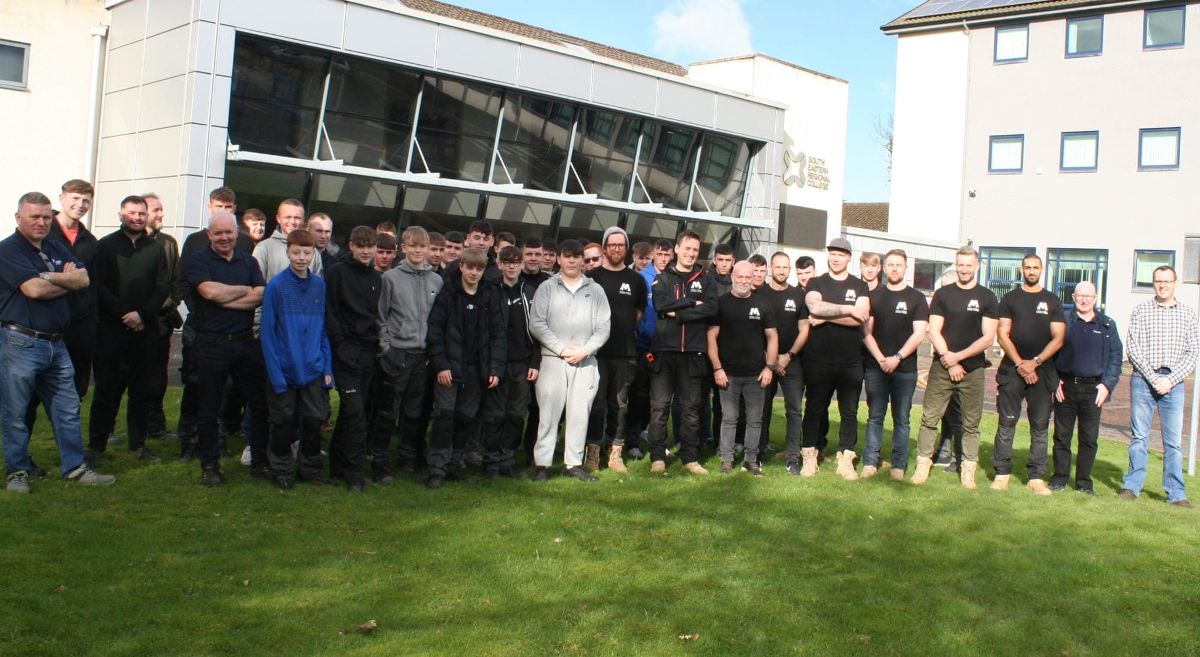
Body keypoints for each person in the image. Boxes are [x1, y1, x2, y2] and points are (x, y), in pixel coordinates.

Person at [2, 192, 115, 492]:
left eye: (45, 217)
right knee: (15, 412)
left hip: (57, 343)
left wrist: (49, 278)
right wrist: (63, 280)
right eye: (34, 217)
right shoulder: (8, 250)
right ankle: (17, 472)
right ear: (18, 218)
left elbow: (84, 279)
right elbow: (34, 290)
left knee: (67, 409)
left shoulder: (54, 246)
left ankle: (74, 468)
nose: (41, 222)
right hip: (19, 342)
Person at [184, 211, 269, 486]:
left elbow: (260, 296)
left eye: (228, 232)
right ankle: (210, 465)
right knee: (209, 406)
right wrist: (243, 290)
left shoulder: (249, 260)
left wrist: (225, 296)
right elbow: (208, 293)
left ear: (237, 233)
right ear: (209, 234)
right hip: (211, 342)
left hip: (245, 341)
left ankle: (259, 462)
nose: (224, 237)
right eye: (218, 233)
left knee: (259, 403)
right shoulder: (198, 259)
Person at [86, 195, 170, 465]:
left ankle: (138, 443)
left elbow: (162, 285)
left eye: (141, 213)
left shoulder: (156, 248)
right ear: (121, 214)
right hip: (111, 329)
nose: (136, 218)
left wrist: (142, 314)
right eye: (131, 213)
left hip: (144, 329)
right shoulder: (106, 246)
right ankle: (96, 446)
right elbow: (99, 286)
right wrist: (124, 313)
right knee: (106, 390)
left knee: (141, 391)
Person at [910, 246, 998, 488]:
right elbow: (934, 330)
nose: (964, 269)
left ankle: (968, 468)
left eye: (969, 265)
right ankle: (923, 464)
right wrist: (948, 359)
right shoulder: (943, 294)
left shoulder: (988, 297)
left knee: (971, 423)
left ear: (977, 266)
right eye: (960, 264)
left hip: (973, 369)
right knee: (929, 418)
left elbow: (988, 337)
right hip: (942, 366)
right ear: (956, 265)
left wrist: (958, 358)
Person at [25, 180, 99, 463]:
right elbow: (32, 279)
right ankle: (23, 456)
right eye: (75, 198)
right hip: (42, 324)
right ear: (62, 198)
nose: (80, 205)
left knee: (72, 395)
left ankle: (70, 457)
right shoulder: (41, 233)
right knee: (28, 397)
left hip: (79, 327)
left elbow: (90, 284)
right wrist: (68, 280)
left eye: (86, 201)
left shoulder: (90, 242)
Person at [175, 186, 251, 461]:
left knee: (228, 388)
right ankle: (188, 439)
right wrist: (209, 304)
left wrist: (223, 299)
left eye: (229, 208)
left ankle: (218, 439)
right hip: (200, 326)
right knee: (195, 385)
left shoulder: (244, 244)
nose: (223, 213)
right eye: (219, 206)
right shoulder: (195, 243)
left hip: (234, 331)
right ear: (210, 208)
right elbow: (188, 285)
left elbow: (257, 290)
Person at [528, 239, 611, 482]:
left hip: (585, 362)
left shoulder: (595, 290)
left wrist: (585, 350)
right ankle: (542, 464)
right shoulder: (547, 287)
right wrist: (561, 349)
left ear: (583, 261)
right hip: (553, 360)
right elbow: (537, 323)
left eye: (577, 256)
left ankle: (573, 464)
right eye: (567, 256)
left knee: (579, 414)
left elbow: (604, 327)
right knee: (548, 414)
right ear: (559, 259)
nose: (572, 260)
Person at [425, 247, 506, 488]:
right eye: (469, 267)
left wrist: (495, 369)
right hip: (449, 368)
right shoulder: (448, 293)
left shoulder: (490, 296)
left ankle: (454, 465)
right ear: (461, 266)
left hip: (476, 370)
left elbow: (498, 335)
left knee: (465, 417)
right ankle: (436, 469)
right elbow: (435, 331)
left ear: (483, 271)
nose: (473, 273)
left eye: (478, 269)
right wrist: (440, 365)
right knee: (444, 416)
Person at [260, 229, 333, 489]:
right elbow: (267, 333)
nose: (301, 257)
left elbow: (323, 330)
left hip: (313, 367)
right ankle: (281, 468)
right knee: (282, 422)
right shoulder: (277, 286)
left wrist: (327, 367)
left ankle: (310, 468)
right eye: (296, 252)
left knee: (314, 420)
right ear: (287, 252)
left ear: (314, 254)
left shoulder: (318, 285)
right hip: (285, 368)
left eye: (307, 252)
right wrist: (276, 374)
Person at [1120, 265, 1199, 507]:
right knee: (1139, 437)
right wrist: (1153, 378)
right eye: (1158, 281)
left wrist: (1171, 379)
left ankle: (1176, 493)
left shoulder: (1188, 314)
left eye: (1167, 281)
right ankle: (1132, 487)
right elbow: (1133, 348)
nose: (1162, 285)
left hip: (1173, 385)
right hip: (1143, 380)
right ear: (1153, 283)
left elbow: (1193, 352)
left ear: (1175, 283)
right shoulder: (1141, 310)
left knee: (1173, 442)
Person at [372, 226, 443, 480]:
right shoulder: (390, 278)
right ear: (403, 248)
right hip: (397, 354)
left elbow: (438, 320)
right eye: (412, 246)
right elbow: (380, 317)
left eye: (422, 246)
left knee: (415, 413)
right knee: (388, 410)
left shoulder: (436, 280)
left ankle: (407, 459)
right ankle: (379, 461)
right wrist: (386, 348)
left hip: (422, 358)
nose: (417, 250)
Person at [990, 254, 1065, 495]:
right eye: (1027, 267)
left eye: (1035, 268)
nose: (1031, 271)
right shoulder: (1010, 298)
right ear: (1021, 269)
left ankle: (1036, 477)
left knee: (1040, 425)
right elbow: (1003, 334)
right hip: (1012, 369)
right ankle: (1002, 473)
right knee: (1007, 422)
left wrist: (1035, 362)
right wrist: (1022, 364)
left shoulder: (1052, 300)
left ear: (1042, 270)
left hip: (1042, 371)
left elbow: (1059, 338)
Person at [648, 231, 718, 475]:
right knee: (659, 407)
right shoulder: (663, 277)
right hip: (665, 352)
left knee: (691, 409)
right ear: (677, 249)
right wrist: (689, 303)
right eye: (687, 248)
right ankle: (657, 456)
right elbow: (660, 305)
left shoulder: (707, 279)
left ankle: (690, 458)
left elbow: (711, 308)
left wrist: (676, 313)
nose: (691, 254)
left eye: (695, 250)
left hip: (693, 352)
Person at [800, 237, 870, 479]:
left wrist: (829, 315)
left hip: (851, 360)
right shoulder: (816, 282)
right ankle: (809, 456)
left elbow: (860, 318)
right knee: (814, 409)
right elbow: (815, 308)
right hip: (818, 359)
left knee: (849, 411)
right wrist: (848, 309)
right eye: (832, 253)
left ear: (849, 257)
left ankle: (846, 458)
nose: (836, 257)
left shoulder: (860, 286)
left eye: (841, 254)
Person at [583, 227, 646, 473]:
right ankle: (593, 453)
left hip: (625, 352)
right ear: (605, 247)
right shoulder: (592, 277)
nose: (617, 248)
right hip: (596, 353)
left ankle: (615, 453)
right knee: (596, 404)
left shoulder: (636, 280)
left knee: (619, 405)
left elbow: (638, 315)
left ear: (626, 248)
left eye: (621, 244)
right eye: (612, 244)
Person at [1050, 281, 1122, 496]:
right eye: (1080, 296)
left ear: (1095, 298)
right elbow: (1049, 352)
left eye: (1088, 296)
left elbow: (1116, 357)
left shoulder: (1107, 325)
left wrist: (1107, 385)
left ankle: (1084, 483)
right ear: (1073, 297)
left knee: (1088, 439)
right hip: (1066, 387)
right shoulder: (1062, 321)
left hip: (1094, 390)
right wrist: (1054, 381)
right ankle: (1059, 479)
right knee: (1062, 437)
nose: (1084, 300)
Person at [861, 249, 928, 480]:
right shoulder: (874, 297)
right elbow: (866, 332)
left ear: (906, 267)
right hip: (876, 368)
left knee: (902, 419)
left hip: (905, 370)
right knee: (874, 416)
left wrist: (897, 358)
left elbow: (919, 334)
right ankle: (870, 462)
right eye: (890, 264)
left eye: (899, 265)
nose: (894, 269)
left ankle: (898, 466)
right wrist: (881, 358)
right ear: (884, 268)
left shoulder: (917, 298)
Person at [325, 226, 382, 491]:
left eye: (370, 246)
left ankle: (337, 465)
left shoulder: (376, 278)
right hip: (345, 351)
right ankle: (354, 473)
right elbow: (330, 312)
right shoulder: (337, 272)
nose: (366, 251)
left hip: (368, 352)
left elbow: (373, 315)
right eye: (361, 245)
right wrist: (341, 345)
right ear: (351, 246)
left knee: (354, 413)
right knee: (355, 412)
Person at [709, 261, 777, 475]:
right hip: (727, 374)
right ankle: (727, 459)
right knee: (729, 418)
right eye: (740, 276)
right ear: (732, 276)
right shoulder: (720, 303)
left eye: (748, 277)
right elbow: (711, 337)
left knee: (755, 419)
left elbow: (773, 337)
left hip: (756, 374)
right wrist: (717, 368)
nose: (744, 281)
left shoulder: (763, 304)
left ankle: (751, 460)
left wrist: (769, 368)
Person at [489, 245, 539, 478]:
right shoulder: (490, 290)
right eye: (506, 261)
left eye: (515, 262)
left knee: (517, 414)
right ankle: (491, 460)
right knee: (495, 414)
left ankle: (507, 460)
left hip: (522, 363)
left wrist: (535, 363)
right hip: (496, 364)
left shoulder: (530, 292)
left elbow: (539, 331)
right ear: (498, 263)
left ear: (522, 265)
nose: (511, 266)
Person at [761, 251, 809, 475]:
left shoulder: (798, 295)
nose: (781, 271)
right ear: (770, 268)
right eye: (777, 267)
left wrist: (788, 356)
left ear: (789, 270)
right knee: (761, 409)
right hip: (765, 362)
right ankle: (759, 452)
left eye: (785, 267)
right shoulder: (759, 294)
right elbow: (752, 330)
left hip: (792, 362)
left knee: (794, 411)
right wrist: (770, 359)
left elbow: (804, 330)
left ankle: (793, 457)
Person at [624, 238, 674, 456]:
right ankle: (632, 441)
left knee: (661, 399)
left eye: (667, 255)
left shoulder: (674, 278)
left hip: (667, 348)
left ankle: (655, 439)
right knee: (640, 394)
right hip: (644, 346)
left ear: (672, 255)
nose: (663, 259)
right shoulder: (641, 278)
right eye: (659, 254)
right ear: (653, 254)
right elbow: (635, 313)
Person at [142, 192, 182, 441]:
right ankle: (109, 429)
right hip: (129, 323)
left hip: (160, 321)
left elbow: (177, 281)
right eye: (155, 210)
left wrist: (166, 306)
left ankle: (155, 426)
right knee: (121, 377)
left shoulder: (168, 243)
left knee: (158, 377)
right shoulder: (123, 243)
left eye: (160, 209)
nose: (160, 214)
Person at [254, 199, 322, 280]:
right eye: (288, 217)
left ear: (303, 220)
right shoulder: (263, 248)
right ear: (278, 219)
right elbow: (257, 285)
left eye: (297, 218)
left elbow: (317, 286)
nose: (292, 221)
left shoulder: (313, 251)